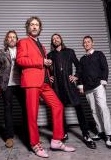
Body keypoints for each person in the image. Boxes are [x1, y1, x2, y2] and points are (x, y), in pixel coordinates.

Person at [16, 16, 75, 158]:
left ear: (40, 28)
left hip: (44, 82)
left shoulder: (42, 46)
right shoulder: (23, 42)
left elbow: (44, 64)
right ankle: (35, 144)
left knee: (58, 106)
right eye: (32, 24)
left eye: (37, 25)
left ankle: (56, 140)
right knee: (32, 115)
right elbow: (20, 60)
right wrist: (41, 61)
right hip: (31, 82)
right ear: (28, 27)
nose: (35, 27)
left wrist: (48, 74)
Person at [47, 33, 96, 149]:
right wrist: (48, 77)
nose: (55, 40)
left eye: (57, 38)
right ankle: (63, 133)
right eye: (53, 39)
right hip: (57, 87)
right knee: (60, 110)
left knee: (79, 109)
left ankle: (86, 135)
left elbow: (79, 66)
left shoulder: (69, 51)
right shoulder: (50, 55)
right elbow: (45, 70)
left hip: (69, 85)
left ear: (61, 39)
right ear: (52, 42)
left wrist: (76, 76)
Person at [0, 30, 28, 148]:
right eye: (10, 37)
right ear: (6, 40)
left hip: (21, 84)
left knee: (27, 109)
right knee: (8, 110)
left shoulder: (22, 51)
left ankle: (28, 135)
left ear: (17, 39)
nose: (12, 39)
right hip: (6, 85)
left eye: (14, 37)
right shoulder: (1, 52)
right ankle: (9, 137)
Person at [78, 35, 111, 149]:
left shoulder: (99, 54)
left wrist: (103, 82)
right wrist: (80, 86)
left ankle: (108, 135)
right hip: (88, 88)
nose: (86, 44)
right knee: (94, 111)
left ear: (92, 43)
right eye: (84, 42)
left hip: (98, 85)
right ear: (83, 45)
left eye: (88, 42)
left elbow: (105, 68)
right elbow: (80, 73)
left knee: (103, 108)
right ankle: (100, 132)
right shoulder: (82, 59)